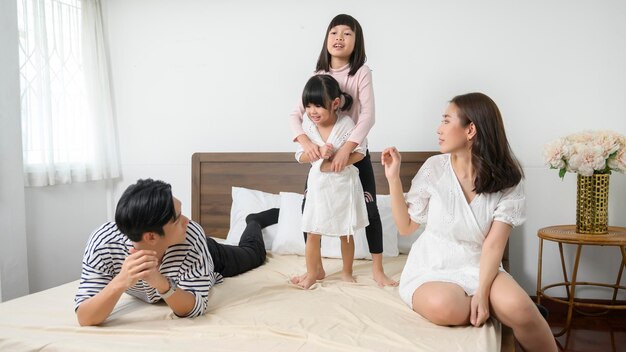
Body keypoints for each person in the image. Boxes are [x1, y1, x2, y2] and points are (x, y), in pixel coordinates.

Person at [381, 93, 557, 351]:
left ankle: (508, 310)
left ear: (470, 129)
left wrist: (483, 294)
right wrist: (393, 178)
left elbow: (494, 246)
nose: (438, 129)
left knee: (522, 309)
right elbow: (406, 227)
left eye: (446, 121)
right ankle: (498, 309)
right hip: (433, 264)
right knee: (446, 306)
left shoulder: (508, 180)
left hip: (481, 263)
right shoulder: (434, 168)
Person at [74, 179, 279, 326]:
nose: (187, 220)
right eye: (178, 218)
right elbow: (85, 317)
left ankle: (254, 221)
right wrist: (121, 281)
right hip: (176, 257)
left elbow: (195, 307)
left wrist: (161, 283)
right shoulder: (104, 244)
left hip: (210, 254)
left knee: (254, 254)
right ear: (151, 237)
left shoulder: (191, 234)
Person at [289, 14, 396, 287]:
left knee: (370, 211)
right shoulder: (317, 76)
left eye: (347, 33)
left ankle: (377, 269)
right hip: (321, 158)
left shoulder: (360, 72)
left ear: (356, 42)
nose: (339, 38)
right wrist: (306, 143)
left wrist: (345, 151)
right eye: (334, 32)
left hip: (355, 152)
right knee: (308, 208)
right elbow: (295, 114)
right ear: (326, 39)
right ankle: (317, 269)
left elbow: (368, 117)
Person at [291, 74, 369, 289]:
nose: (312, 111)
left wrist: (342, 160)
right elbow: (300, 156)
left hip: (343, 186)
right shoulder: (307, 126)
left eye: (318, 106)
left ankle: (346, 271)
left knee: (346, 232)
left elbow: (360, 152)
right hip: (318, 186)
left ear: (335, 104)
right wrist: (315, 152)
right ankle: (314, 272)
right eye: (308, 106)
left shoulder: (346, 124)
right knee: (313, 231)